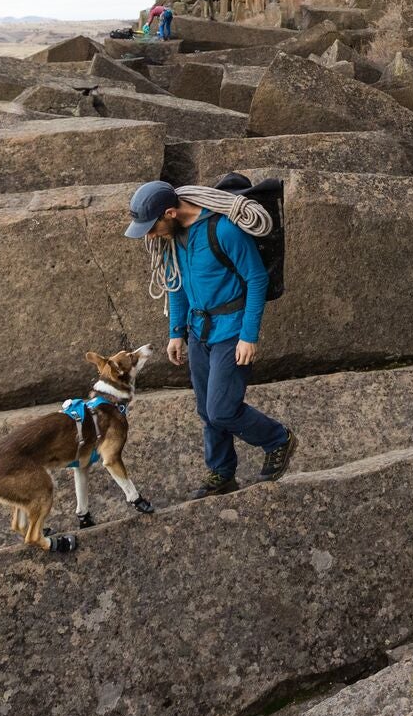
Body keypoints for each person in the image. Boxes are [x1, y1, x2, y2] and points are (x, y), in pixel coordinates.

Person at [125, 180, 296, 498]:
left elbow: (257, 278)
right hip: (198, 332)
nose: (149, 236)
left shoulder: (224, 230)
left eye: (151, 228)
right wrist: (176, 333)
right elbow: (176, 284)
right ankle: (222, 472)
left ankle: (277, 439)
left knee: (222, 410)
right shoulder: (172, 238)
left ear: (170, 213)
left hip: (232, 331)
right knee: (206, 410)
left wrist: (249, 336)